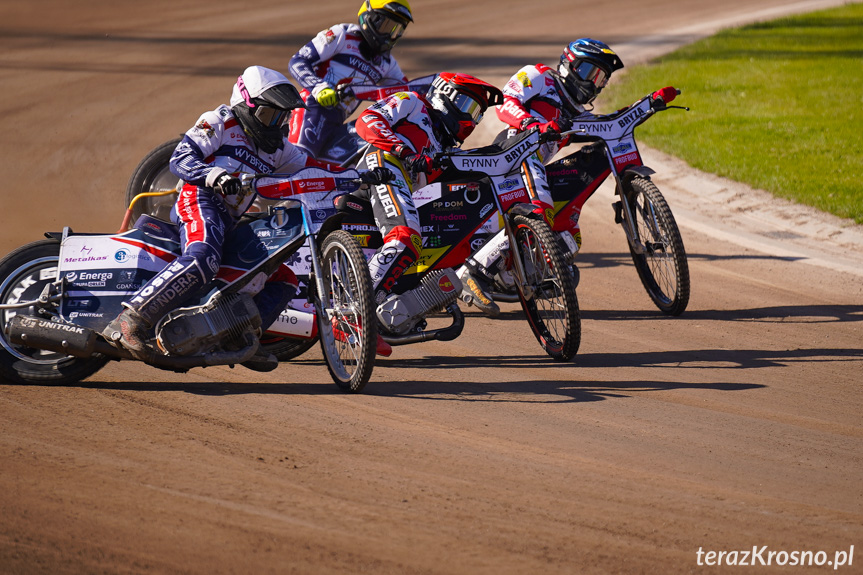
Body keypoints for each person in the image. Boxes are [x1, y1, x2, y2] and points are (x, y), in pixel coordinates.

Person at [102, 66, 329, 370]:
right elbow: (180, 158)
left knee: (284, 279)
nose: (277, 125)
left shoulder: (279, 150)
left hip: (231, 220)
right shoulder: (218, 120)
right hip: (199, 199)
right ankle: (130, 320)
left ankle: (240, 336)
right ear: (246, 104)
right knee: (203, 257)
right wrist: (214, 175)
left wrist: (363, 175)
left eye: (283, 117)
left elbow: (318, 169)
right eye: (269, 115)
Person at [458, 38, 674, 316]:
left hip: (533, 165)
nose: (593, 83)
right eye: (589, 72)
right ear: (569, 64)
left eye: (601, 78)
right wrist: (530, 123)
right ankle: (473, 271)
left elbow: (609, 125)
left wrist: (646, 105)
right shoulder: (538, 75)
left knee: (570, 237)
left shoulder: (577, 110)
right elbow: (506, 104)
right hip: (512, 153)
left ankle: (522, 268)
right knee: (542, 207)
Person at [352, 72, 503, 308]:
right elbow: (367, 120)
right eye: (467, 106)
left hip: (397, 186)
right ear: (445, 94)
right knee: (404, 237)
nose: (471, 120)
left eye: (477, 114)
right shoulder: (412, 102)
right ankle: (356, 308)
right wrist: (405, 152)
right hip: (382, 167)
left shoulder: (443, 145)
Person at [288, 0, 413, 159]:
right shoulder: (342, 34)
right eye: (386, 26)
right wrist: (319, 87)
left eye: (397, 30)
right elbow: (298, 61)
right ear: (370, 18)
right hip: (313, 107)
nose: (390, 35)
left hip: (339, 121)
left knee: (333, 170)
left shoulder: (387, 64)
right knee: (299, 161)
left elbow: (405, 93)